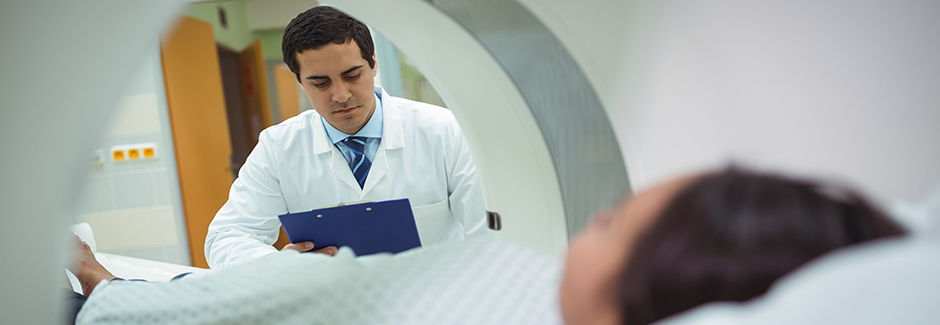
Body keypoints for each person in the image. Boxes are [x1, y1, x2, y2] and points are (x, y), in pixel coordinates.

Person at [68, 167, 905, 324]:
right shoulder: (282, 145)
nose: (587, 223)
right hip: (280, 282)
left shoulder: (486, 273)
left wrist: (105, 290)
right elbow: (232, 249)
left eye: (610, 223)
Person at [204, 6, 488, 268]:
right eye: (320, 82)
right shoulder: (278, 148)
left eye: (352, 75)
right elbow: (227, 237)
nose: (341, 95)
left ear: (373, 64)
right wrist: (280, 266)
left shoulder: (444, 130)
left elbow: (489, 232)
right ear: (299, 81)